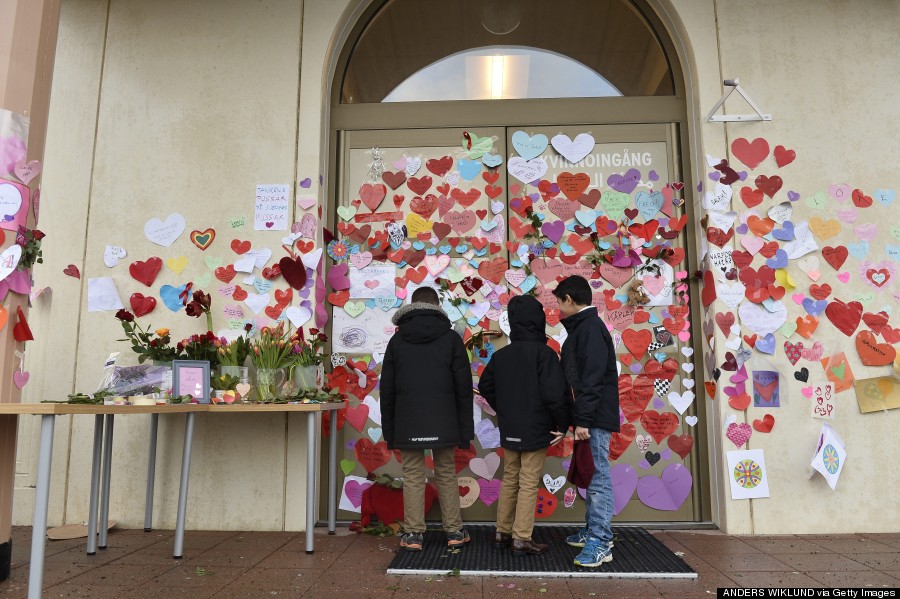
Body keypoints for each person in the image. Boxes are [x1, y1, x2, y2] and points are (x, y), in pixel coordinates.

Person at [380, 286, 474, 552]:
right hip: (445, 419)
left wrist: (390, 430)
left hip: (408, 419)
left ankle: (413, 535)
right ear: (438, 307)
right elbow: (463, 388)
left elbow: (386, 389)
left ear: (412, 307)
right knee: (446, 473)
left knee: (412, 475)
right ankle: (454, 531)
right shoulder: (452, 339)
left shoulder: (397, 341)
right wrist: (465, 429)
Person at [478, 295, 570, 556]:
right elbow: (556, 394)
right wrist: (562, 424)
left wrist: (504, 408)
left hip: (511, 426)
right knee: (528, 480)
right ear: (538, 321)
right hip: (537, 427)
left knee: (510, 478)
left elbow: (485, 386)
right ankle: (522, 538)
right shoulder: (545, 354)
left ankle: (502, 532)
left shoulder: (502, 355)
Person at [552, 275, 620, 568]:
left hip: (593, 416)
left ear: (568, 299)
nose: (557, 306)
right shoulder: (585, 327)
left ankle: (601, 541)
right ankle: (594, 530)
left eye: (558, 301)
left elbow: (592, 380)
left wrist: (583, 420)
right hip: (590, 414)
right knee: (592, 473)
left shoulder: (589, 329)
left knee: (598, 475)